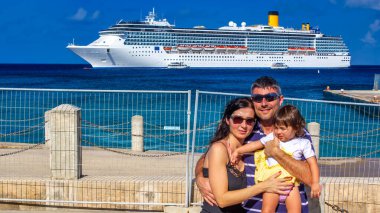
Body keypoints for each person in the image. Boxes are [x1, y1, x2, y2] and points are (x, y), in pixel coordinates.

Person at [195, 76, 314, 212]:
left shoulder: (296, 133)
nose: (264, 103)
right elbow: (209, 156)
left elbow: (310, 178)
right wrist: (200, 176)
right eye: (258, 98)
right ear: (253, 101)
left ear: (280, 100)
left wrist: (276, 152)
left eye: (270, 97)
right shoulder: (247, 127)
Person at [200, 97, 293, 213]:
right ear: (227, 120)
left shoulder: (250, 149)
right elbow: (222, 200)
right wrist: (264, 186)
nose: (244, 125)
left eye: (249, 121)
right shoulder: (219, 149)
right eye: (238, 119)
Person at [231, 105, 321, 212]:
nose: (278, 132)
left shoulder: (303, 143)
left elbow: (313, 163)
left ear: (296, 127)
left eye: (283, 128)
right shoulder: (272, 137)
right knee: (267, 210)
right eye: (276, 127)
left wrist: (315, 183)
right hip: (272, 184)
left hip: (291, 185)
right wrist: (238, 151)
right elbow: (256, 144)